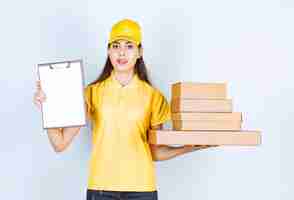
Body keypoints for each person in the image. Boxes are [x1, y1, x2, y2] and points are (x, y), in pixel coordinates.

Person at [34, 19, 217, 200]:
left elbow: (155, 152)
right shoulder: (91, 93)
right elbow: (60, 143)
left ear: (140, 52)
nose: (121, 52)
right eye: (115, 45)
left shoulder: (154, 97)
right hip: (101, 190)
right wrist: (48, 108)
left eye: (129, 46)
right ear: (108, 51)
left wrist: (189, 148)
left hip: (142, 190)